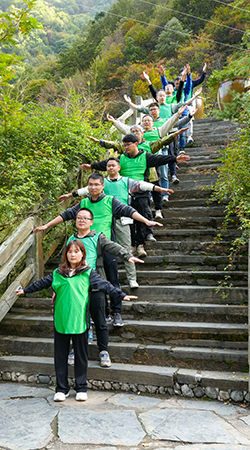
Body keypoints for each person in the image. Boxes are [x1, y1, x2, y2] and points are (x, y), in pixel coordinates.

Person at [16, 239, 134, 402]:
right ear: (66, 254)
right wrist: (25, 290)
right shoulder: (58, 273)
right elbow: (42, 283)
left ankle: (81, 387)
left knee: (81, 355)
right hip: (61, 320)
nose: (73, 254)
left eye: (76, 251)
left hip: (80, 321)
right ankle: (61, 389)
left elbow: (105, 285)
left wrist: (121, 295)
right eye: (70, 252)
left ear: (82, 254)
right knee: (60, 356)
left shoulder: (88, 273)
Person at [60, 158, 172, 289]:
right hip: (106, 221)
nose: (110, 168)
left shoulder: (126, 181)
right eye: (108, 166)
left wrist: (160, 189)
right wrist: (69, 195)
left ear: (119, 167)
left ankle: (132, 278)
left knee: (125, 248)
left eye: (113, 165)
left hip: (122, 219)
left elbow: (142, 185)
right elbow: (86, 190)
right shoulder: (102, 183)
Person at [55, 208, 141, 366]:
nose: (81, 220)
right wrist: (57, 289)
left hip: (95, 285)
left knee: (100, 320)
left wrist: (127, 255)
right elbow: (64, 265)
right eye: (79, 217)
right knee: (77, 320)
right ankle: (75, 349)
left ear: (91, 222)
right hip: (74, 288)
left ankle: (104, 351)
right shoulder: (71, 240)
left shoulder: (98, 237)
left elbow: (113, 246)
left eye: (85, 218)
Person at [81, 133, 190, 255]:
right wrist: (91, 167)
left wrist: (175, 159)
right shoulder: (121, 158)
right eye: (124, 145)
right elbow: (106, 164)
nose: (126, 147)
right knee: (129, 220)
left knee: (142, 216)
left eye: (128, 145)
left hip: (141, 192)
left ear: (136, 144)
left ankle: (141, 244)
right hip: (126, 193)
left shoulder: (145, 156)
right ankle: (132, 244)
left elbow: (159, 159)